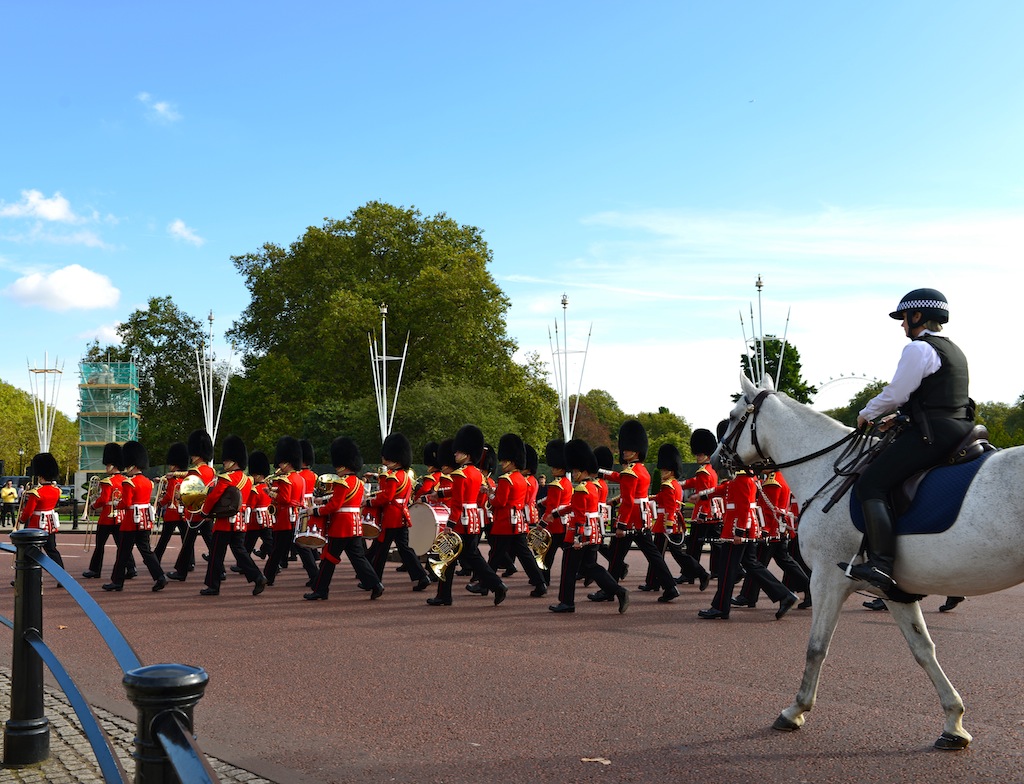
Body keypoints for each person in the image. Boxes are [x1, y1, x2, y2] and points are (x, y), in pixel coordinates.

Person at [842, 289, 974, 594]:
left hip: (933, 433)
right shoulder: (953, 349)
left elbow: (896, 393)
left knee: (870, 484)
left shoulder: (918, 349)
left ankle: (881, 563)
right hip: (957, 427)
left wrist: (867, 413)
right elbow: (936, 397)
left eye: (903, 319)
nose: (902, 326)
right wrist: (902, 419)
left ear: (917, 316)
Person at [592, 420, 678, 604]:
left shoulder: (631, 471)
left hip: (631, 518)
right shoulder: (641, 470)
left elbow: (628, 501)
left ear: (636, 451)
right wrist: (601, 472)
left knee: (616, 555)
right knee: (652, 555)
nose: (624, 451)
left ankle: (609, 590)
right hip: (642, 518)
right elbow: (620, 477)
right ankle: (670, 587)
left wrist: (622, 524)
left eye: (627, 449)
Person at [427, 424, 508, 607]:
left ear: (467, 454)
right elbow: (462, 493)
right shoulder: (477, 474)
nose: (454, 454)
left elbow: (457, 502)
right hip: (472, 519)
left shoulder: (459, 474)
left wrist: (449, 524)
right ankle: (497, 585)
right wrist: (439, 494)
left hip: (460, 521)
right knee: (473, 557)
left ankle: (444, 596)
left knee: (448, 556)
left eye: (458, 452)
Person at [548, 439, 629, 614]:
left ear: (583, 470)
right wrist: (556, 514)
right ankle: (618, 590)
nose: (574, 473)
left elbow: (578, 515)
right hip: (592, 531)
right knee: (590, 567)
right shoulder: (592, 487)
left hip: (579, 533)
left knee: (568, 569)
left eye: (576, 470)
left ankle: (566, 602)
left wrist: (576, 537)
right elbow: (575, 507)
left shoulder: (580, 489)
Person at [305, 437, 383, 600]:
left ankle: (321, 590)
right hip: (354, 524)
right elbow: (344, 500)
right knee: (358, 558)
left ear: (341, 464)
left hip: (341, 526)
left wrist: (315, 511)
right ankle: (375, 584)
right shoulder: (358, 483)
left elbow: (335, 506)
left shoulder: (342, 483)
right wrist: (323, 500)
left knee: (328, 558)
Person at [198, 435, 267, 596]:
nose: (224, 463)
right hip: (240, 521)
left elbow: (214, 497)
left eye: (227, 460)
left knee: (216, 554)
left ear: (234, 461)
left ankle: (213, 586)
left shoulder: (226, 478)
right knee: (240, 552)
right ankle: (257, 577)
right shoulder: (248, 479)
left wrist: (205, 512)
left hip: (225, 522)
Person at [364, 432, 430, 592]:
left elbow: (386, 497)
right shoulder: (406, 476)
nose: (384, 461)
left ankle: (374, 581)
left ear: (395, 458)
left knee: (380, 550)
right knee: (405, 549)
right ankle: (422, 576)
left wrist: (368, 501)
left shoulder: (393, 477)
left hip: (391, 516)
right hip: (402, 515)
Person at [103, 441, 167, 592]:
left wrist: (116, 503)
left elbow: (126, 503)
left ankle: (117, 582)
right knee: (146, 551)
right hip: (144, 520)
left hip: (131, 522)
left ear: (132, 464)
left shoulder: (129, 483)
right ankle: (160, 576)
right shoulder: (147, 482)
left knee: (123, 553)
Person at [165, 430, 216, 582]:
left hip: (194, 511)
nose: (191, 456)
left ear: (198, 454)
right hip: (206, 512)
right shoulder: (211, 470)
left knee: (188, 543)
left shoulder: (195, 470)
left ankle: (181, 572)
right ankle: (219, 571)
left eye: (193, 454)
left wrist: (179, 496)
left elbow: (190, 491)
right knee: (211, 543)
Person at [84, 443, 135, 579]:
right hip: (120, 517)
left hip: (107, 517)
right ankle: (131, 568)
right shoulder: (126, 480)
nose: (106, 468)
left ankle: (95, 570)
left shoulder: (107, 481)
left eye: (107, 465)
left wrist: (93, 506)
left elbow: (103, 499)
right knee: (122, 545)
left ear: (112, 465)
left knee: (100, 545)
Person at [263, 436, 306, 586]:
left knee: (277, 550)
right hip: (296, 516)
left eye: (282, 462)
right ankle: (314, 574)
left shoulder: (286, 479)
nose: (280, 465)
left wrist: (270, 493)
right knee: (302, 549)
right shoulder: (300, 478)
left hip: (285, 518)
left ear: (288, 462)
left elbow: (285, 499)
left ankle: (267, 576)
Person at [18, 453, 65, 573]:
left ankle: (25, 577)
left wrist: (21, 520)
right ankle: (61, 575)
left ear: (40, 475)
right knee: (52, 551)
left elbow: (28, 511)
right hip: (50, 525)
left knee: (29, 552)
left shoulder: (36, 492)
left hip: (35, 525)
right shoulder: (56, 490)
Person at [153, 442, 189, 563]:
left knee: (164, 538)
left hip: (172, 513)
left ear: (175, 465)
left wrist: (159, 504)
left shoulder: (173, 479)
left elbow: (169, 496)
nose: (169, 466)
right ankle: (190, 561)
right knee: (186, 539)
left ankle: (156, 557)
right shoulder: (185, 478)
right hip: (184, 513)